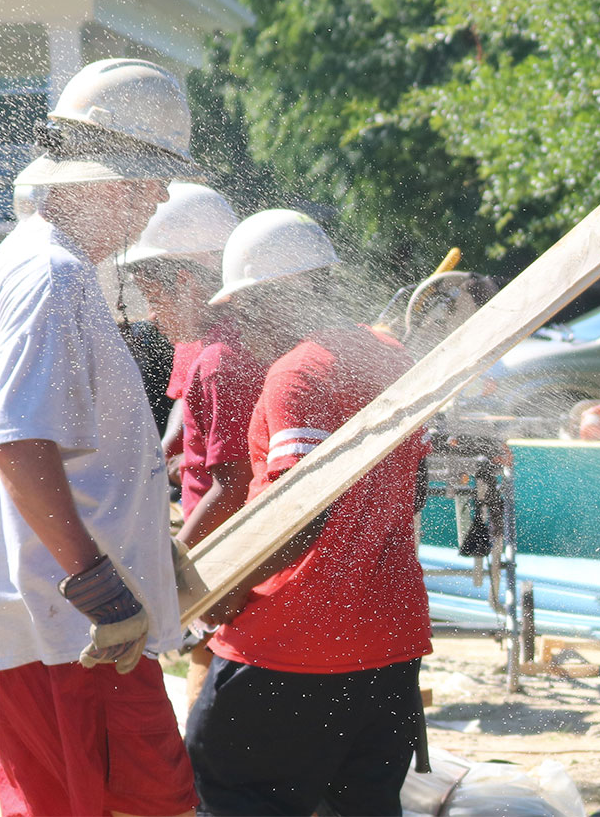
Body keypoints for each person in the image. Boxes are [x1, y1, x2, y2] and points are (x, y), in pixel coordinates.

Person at [0, 58, 204, 817]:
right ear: (116, 180)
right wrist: (98, 582)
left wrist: (145, 539)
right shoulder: (52, 275)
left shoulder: (41, 264)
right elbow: (18, 444)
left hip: (62, 619)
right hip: (72, 626)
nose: (159, 201)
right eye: (156, 182)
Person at [182, 209, 431, 816]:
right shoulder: (391, 356)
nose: (242, 327)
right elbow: (416, 486)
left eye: (244, 308)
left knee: (228, 796)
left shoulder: (298, 371)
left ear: (274, 296)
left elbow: (299, 516)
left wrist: (223, 593)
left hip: (289, 643)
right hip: (388, 641)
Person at [119, 181, 243, 706]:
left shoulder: (225, 355)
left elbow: (233, 485)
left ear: (188, 282)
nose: (150, 314)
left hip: (225, 554)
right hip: (209, 547)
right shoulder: (198, 339)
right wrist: (166, 451)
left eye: (154, 296)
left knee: (212, 704)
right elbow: (185, 410)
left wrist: (173, 567)